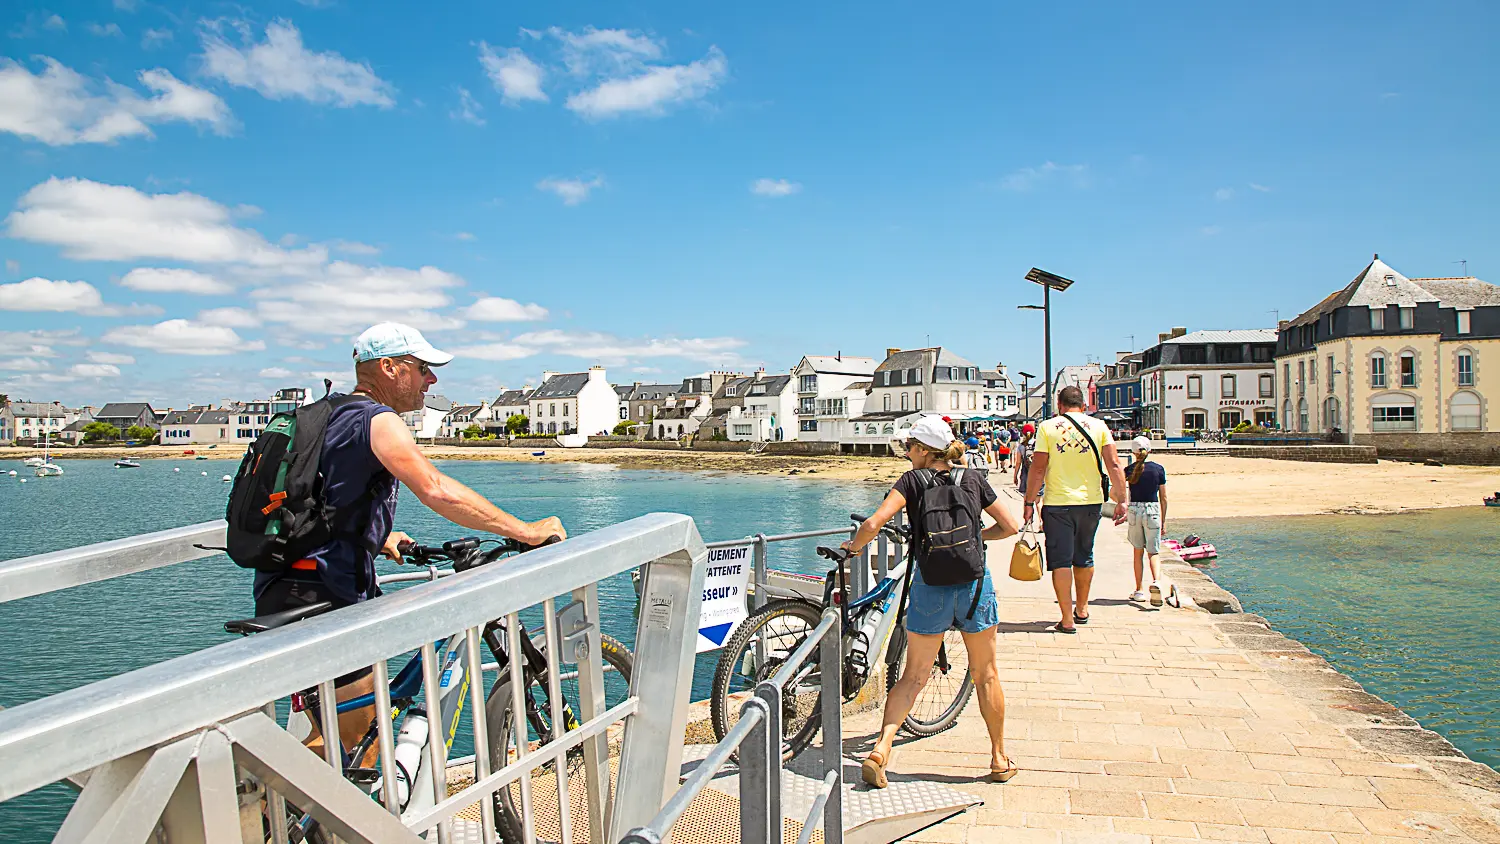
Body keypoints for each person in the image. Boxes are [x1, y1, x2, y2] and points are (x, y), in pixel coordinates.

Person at [252, 323, 568, 755]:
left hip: (288, 586)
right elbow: (436, 489)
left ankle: (276, 814)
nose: (431, 380)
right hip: (322, 598)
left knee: (342, 736)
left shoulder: (329, 413)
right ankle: (249, 813)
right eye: (422, 369)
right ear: (388, 368)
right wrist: (525, 531)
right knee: (360, 742)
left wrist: (375, 533)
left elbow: (321, 496)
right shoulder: (377, 420)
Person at [844, 416, 1021, 787]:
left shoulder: (912, 481)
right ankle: (999, 758)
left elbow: (875, 522)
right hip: (973, 586)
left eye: (910, 447)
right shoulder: (973, 478)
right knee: (986, 674)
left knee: (912, 676)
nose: (907, 453)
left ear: (924, 451)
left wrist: (854, 548)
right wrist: (976, 537)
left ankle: (881, 750)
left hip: (929, 585)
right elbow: (1010, 526)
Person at [1023, 387, 1129, 633]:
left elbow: (1038, 468)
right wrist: (1122, 499)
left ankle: (1067, 618)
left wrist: (1029, 502)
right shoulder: (1099, 426)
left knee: (1061, 561)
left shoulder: (1047, 427)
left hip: (1057, 503)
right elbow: (1113, 464)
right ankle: (1082, 609)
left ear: (1059, 404)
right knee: (1084, 555)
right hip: (1090, 502)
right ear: (1083, 405)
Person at [1123, 436, 1168, 606]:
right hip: (1152, 510)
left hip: (1135, 510)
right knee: (1153, 552)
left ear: (1133, 452)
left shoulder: (1129, 470)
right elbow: (1163, 497)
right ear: (1149, 450)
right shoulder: (1158, 469)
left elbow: (1118, 492)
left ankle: (1139, 590)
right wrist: (1163, 521)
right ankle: (1156, 581)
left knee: (1137, 551)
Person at [1012, 422, 1036, 493]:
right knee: (1039, 499)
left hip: (1026, 474)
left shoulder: (1021, 446)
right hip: (1038, 474)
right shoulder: (1038, 444)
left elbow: (1018, 463)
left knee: (1026, 498)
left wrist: (1015, 476)